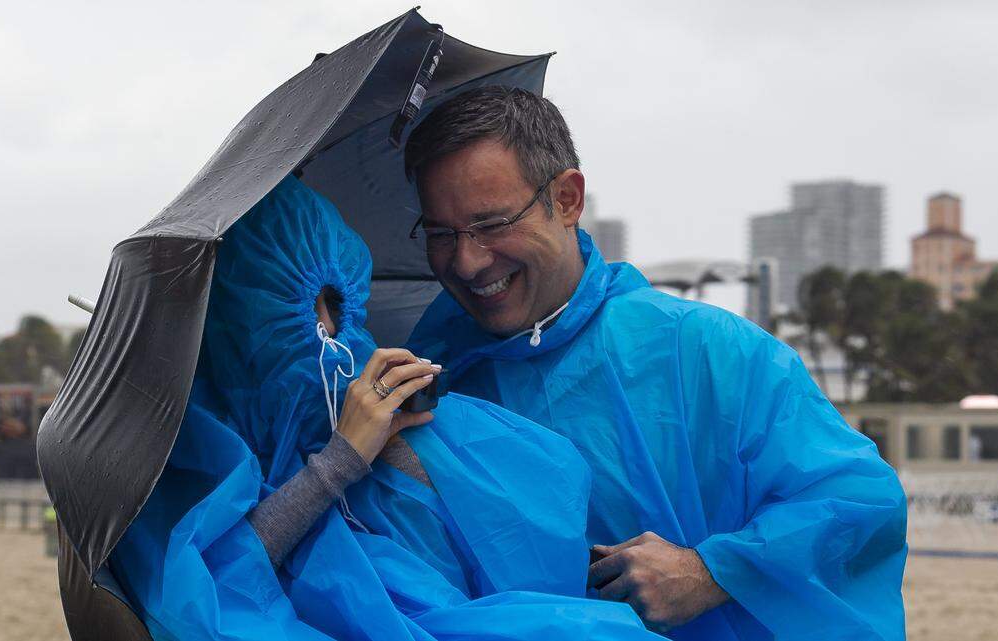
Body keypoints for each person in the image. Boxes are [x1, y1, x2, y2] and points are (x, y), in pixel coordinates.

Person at [405, 86, 908, 640]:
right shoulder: (429, 380)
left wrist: (712, 570)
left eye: (493, 224)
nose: (467, 262)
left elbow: (855, 499)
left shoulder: (708, 350)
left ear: (567, 199)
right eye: (441, 234)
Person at [109, 176, 661, 641]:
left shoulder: (419, 415)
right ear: (231, 322)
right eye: (291, 308)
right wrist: (337, 464)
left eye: (337, 302)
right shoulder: (186, 454)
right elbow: (203, 601)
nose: (330, 332)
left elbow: (536, 543)